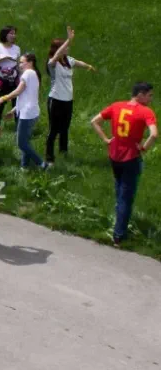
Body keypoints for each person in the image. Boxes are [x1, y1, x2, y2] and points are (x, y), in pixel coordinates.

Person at [91, 83, 157, 247]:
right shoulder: (145, 111)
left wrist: (106, 139)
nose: (151, 99)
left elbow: (95, 121)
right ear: (140, 95)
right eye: (149, 95)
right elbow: (154, 134)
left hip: (114, 155)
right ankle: (119, 235)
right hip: (131, 157)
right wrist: (143, 148)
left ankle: (119, 217)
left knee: (119, 188)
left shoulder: (116, 106)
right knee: (126, 197)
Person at [45, 28, 96, 164]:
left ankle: (63, 152)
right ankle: (49, 158)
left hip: (68, 101)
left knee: (65, 128)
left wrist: (88, 66)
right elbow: (57, 55)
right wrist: (68, 40)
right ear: (58, 49)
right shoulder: (52, 63)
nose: (67, 48)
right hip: (55, 100)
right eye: (64, 47)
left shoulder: (69, 60)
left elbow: (79, 63)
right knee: (53, 130)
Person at [0, 54, 46, 169]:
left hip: (27, 114)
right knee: (25, 142)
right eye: (20, 62)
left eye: (22, 62)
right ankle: (24, 166)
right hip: (31, 112)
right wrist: (13, 111)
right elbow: (25, 96)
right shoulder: (33, 74)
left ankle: (42, 164)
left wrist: (3, 98)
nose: (20, 65)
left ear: (30, 63)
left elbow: (18, 91)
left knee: (21, 143)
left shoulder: (28, 73)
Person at [0, 26, 21, 126]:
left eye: (14, 33)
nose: (13, 35)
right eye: (11, 33)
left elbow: (18, 63)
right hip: (1, 79)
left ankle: (18, 126)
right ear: (4, 34)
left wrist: (20, 77)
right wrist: (4, 57)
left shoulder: (17, 48)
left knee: (16, 102)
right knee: (0, 103)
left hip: (14, 79)